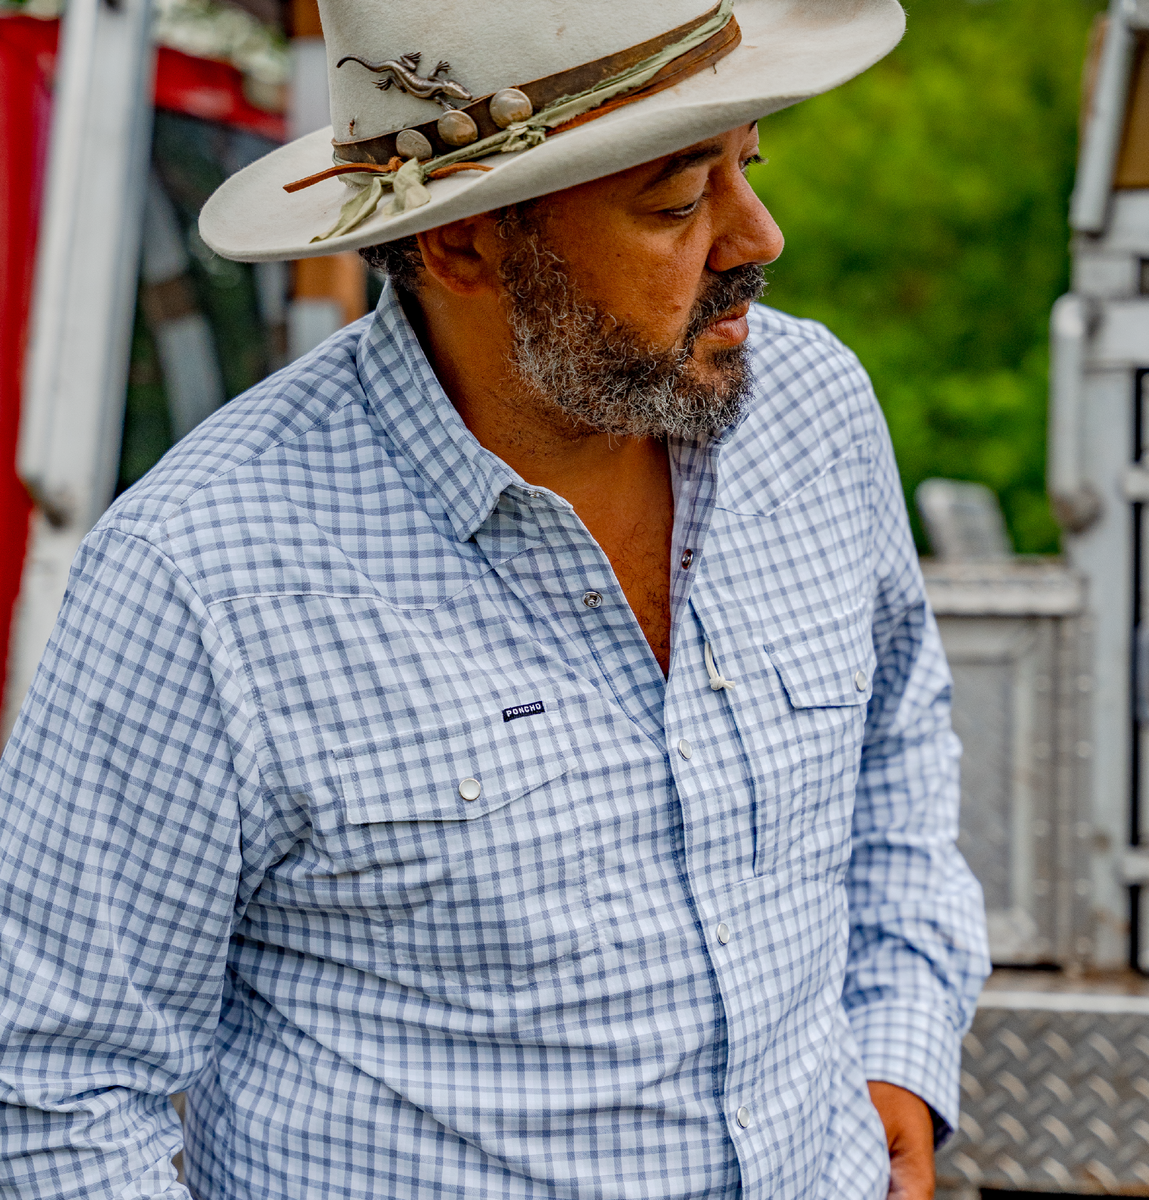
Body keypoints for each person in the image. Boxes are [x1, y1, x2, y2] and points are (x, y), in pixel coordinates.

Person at [0, 1, 989, 1197]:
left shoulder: (815, 414)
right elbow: (55, 1096)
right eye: (677, 203)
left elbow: (894, 754)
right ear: (462, 245)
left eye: (747, 168)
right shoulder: (203, 579)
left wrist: (894, 1048)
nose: (756, 239)